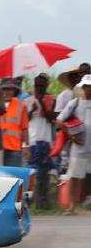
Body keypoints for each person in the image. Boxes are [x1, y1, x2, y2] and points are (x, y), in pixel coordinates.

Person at [55, 74, 91, 214]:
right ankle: (72, 206)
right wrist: (71, 136)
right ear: (82, 88)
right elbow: (59, 120)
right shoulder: (74, 103)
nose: (89, 89)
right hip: (79, 146)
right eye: (86, 87)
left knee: (87, 177)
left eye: (90, 87)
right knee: (75, 177)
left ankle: (84, 203)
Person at [25, 73, 55, 208]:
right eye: (36, 85)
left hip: (46, 140)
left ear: (46, 86)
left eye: (41, 85)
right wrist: (31, 111)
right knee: (32, 171)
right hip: (32, 140)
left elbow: (50, 119)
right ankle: (31, 200)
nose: (38, 88)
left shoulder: (51, 99)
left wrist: (41, 101)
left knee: (44, 171)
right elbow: (24, 120)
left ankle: (43, 200)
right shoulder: (28, 100)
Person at [0, 79, 30, 167]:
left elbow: (25, 128)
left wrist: (26, 146)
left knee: (12, 177)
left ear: (14, 91)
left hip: (14, 148)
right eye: (4, 89)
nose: (7, 92)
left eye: (10, 89)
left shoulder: (21, 105)